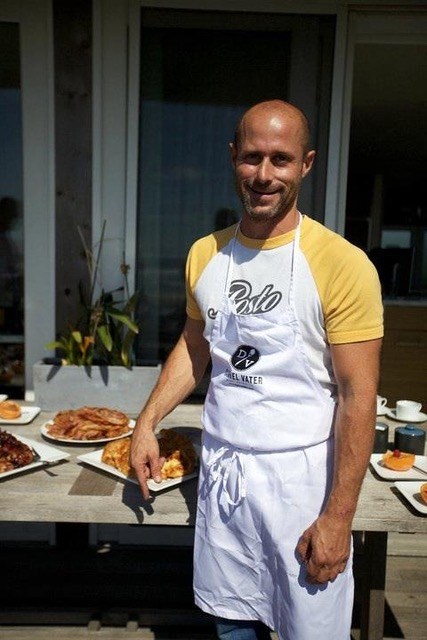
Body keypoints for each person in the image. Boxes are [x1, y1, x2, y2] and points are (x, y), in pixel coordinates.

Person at [131, 100, 383, 640]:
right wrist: (146, 421)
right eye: (251, 158)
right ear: (232, 159)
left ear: (307, 164)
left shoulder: (342, 264)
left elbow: (359, 397)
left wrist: (338, 519)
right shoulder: (206, 253)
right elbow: (195, 347)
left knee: (309, 631)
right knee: (231, 627)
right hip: (224, 480)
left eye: (281, 160)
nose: (264, 175)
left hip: (302, 487)